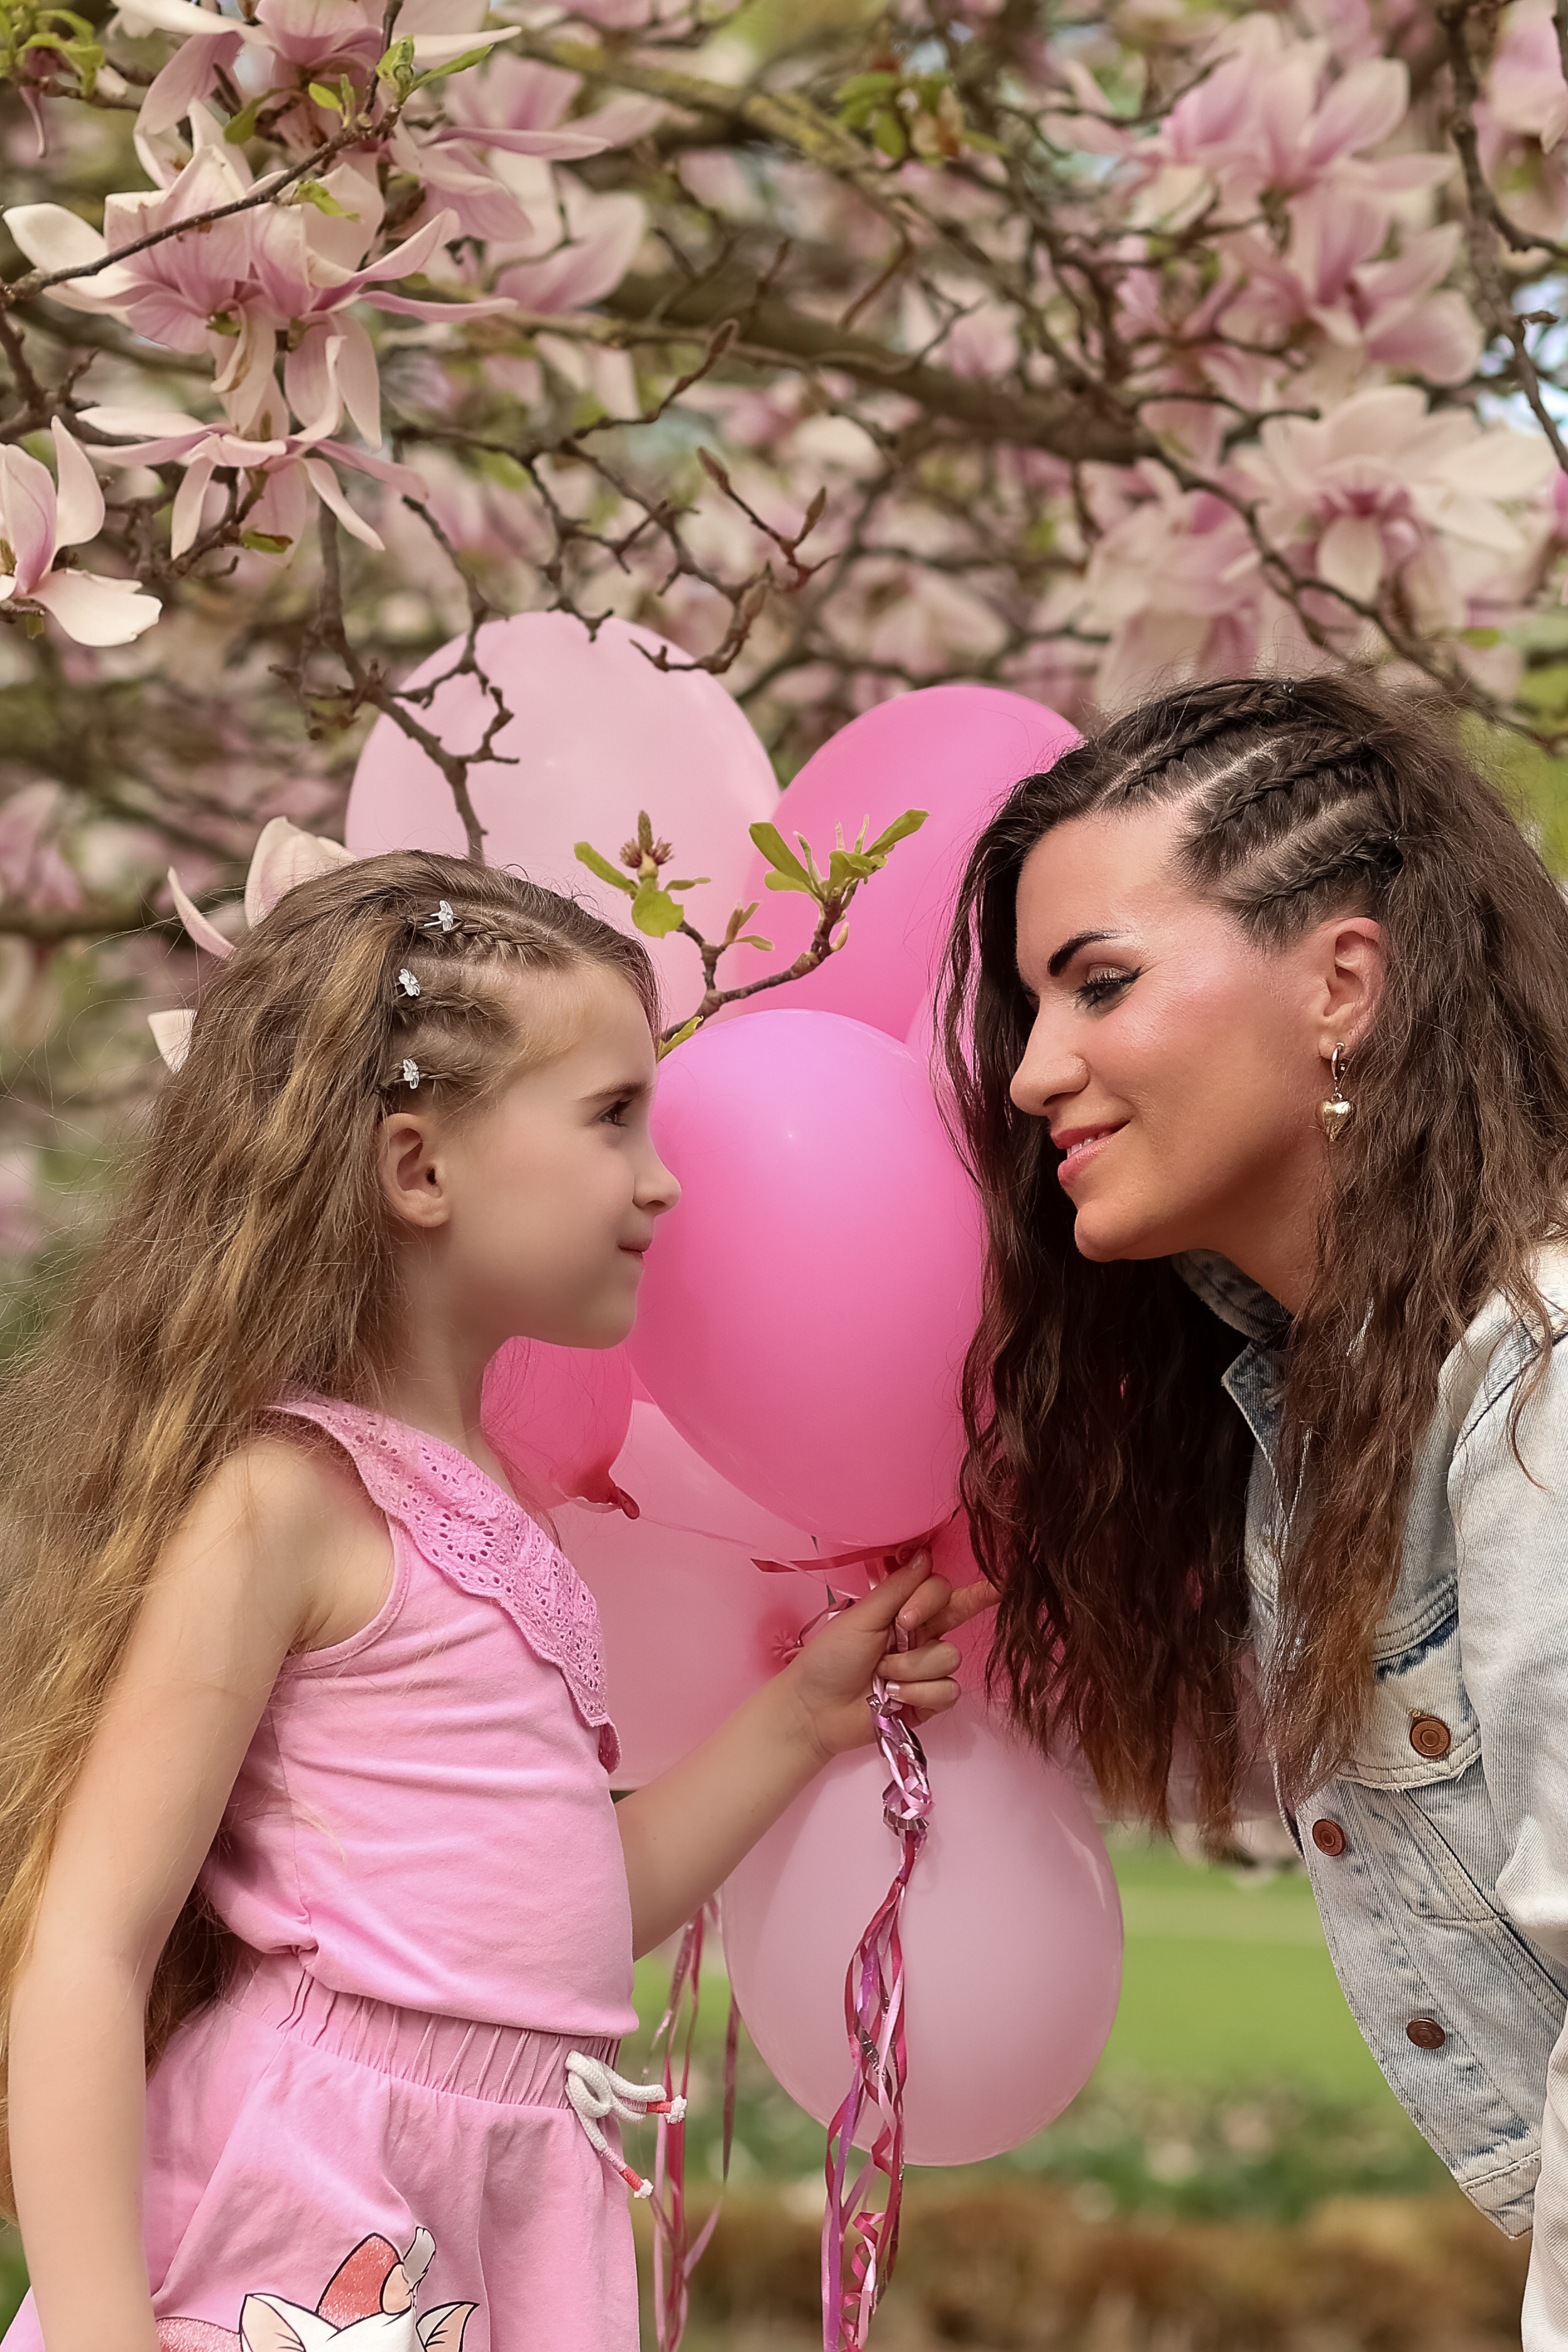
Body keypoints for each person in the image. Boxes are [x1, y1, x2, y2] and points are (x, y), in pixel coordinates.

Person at [0, 849, 962, 2352]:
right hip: (323, 2206)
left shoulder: (495, 1507)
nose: (663, 1176)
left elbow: (555, 1934)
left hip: (510, 2177)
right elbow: (89, 1945)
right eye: (609, 1119)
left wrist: (798, 1721)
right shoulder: (285, 1503)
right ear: (419, 1168)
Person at [939, 671, 1568, 2343]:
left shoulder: (1543, 1391)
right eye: (1034, 1007)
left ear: (1341, 984)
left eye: (1102, 986)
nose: (1033, 1075)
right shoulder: (1330, 1413)